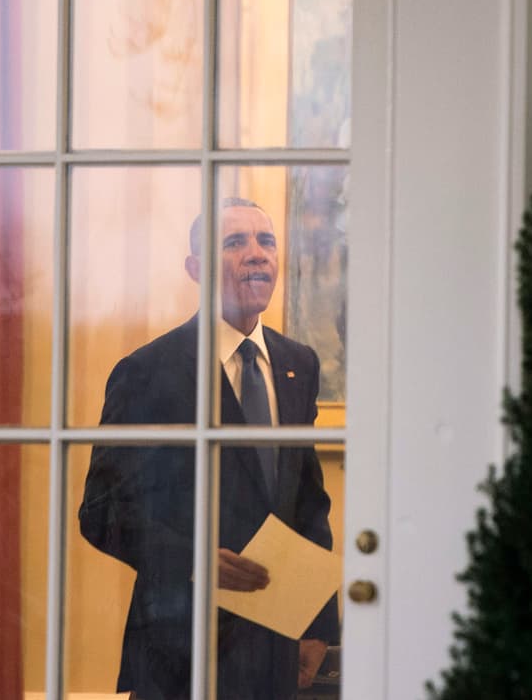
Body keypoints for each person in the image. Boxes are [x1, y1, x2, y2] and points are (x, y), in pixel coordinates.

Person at [79, 198, 340, 700]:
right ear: (196, 269)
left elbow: (308, 500)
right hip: (178, 644)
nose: (257, 254)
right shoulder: (147, 371)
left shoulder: (298, 363)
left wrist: (319, 620)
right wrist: (194, 558)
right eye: (234, 242)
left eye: (267, 241)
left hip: (274, 644)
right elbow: (100, 512)